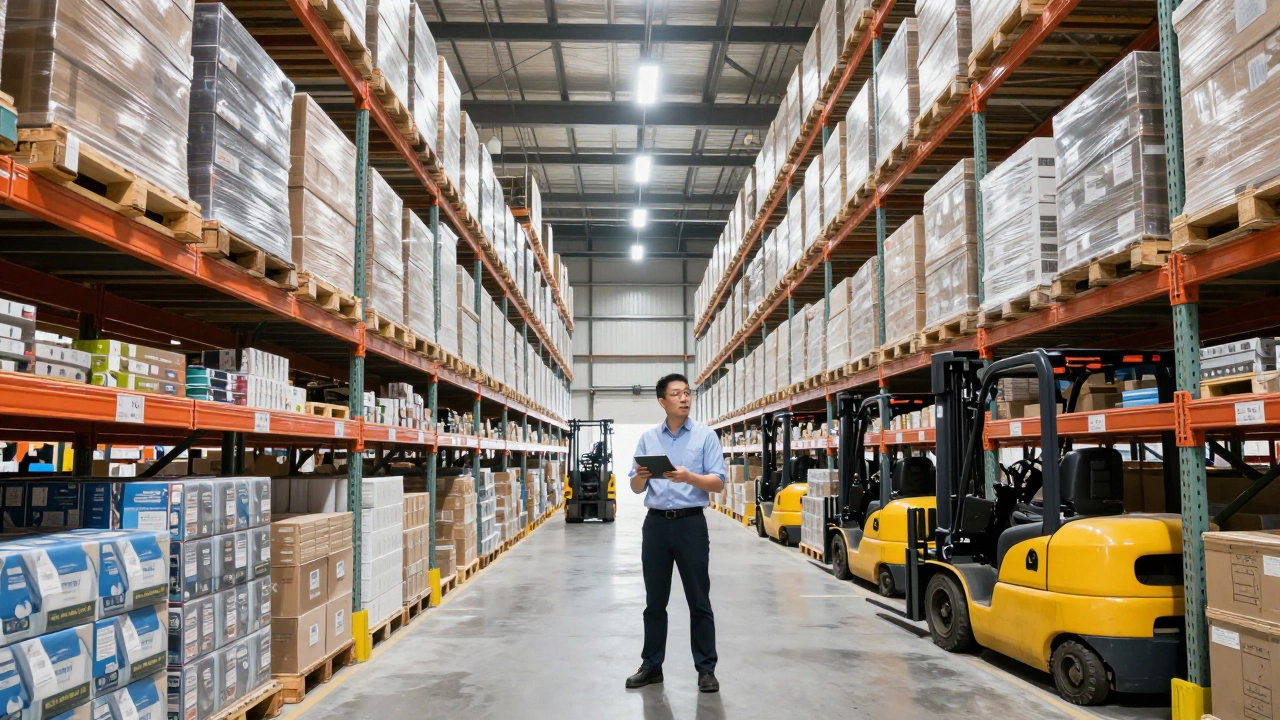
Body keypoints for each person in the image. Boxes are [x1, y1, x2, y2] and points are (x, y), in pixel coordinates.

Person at [625, 373, 726, 694]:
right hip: (655, 525)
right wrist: (641, 476)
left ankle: (706, 669)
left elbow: (719, 482)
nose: (684, 398)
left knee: (699, 600)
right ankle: (652, 665)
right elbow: (635, 486)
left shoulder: (705, 436)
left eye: (687, 393)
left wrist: (690, 477)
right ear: (661, 401)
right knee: (655, 601)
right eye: (676, 394)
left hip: (690, 525)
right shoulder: (648, 439)